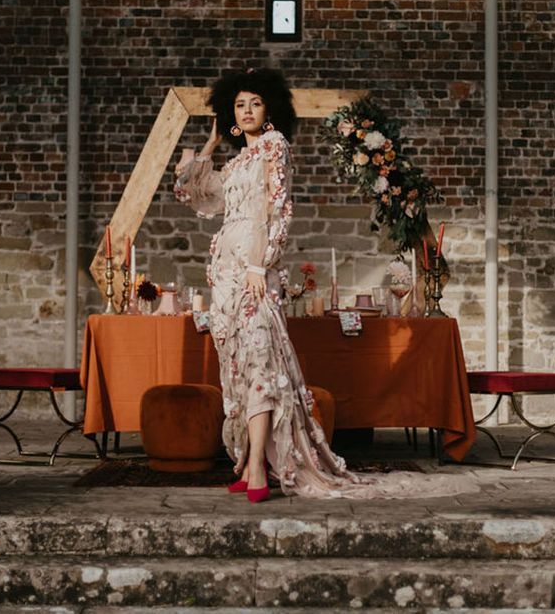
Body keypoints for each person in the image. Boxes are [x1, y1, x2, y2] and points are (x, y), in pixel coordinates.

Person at [174, 68, 471, 502]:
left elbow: (278, 209)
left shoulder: (275, 147)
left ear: (270, 107)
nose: (248, 110)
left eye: (256, 102)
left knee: (261, 362)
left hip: (255, 268)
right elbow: (198, 195)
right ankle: (247, 458)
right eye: (239, 105)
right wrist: (214, 141)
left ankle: (259, 463)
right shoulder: (237, 161)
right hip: (226, 272)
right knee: (237, 365)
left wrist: (261, 265)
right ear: (230, 113)